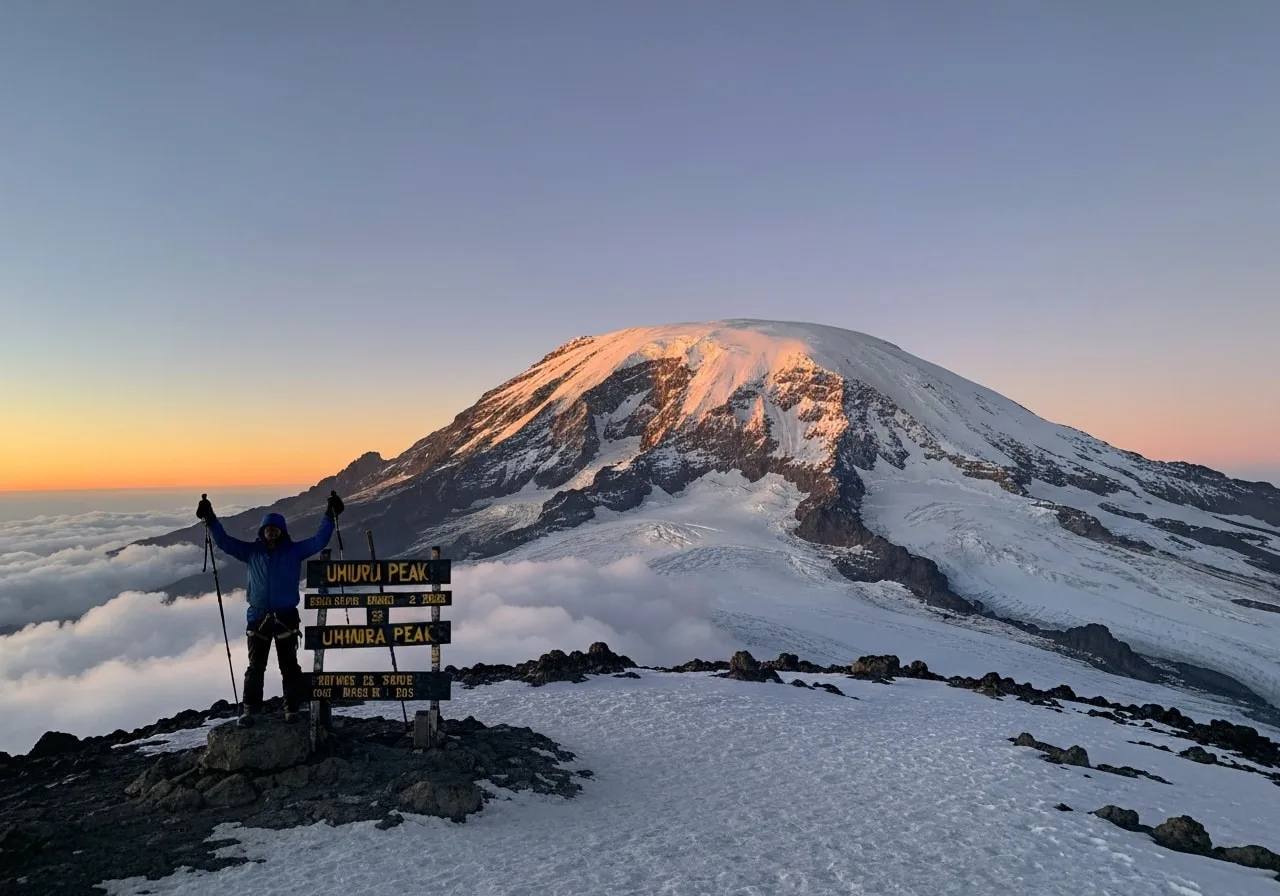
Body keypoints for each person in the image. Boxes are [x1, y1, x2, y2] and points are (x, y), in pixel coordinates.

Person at [197, 491, 344, 726]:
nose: (272, 532)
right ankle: (256, 710)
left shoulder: (290, 551)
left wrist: (329, 516)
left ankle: (284, 710)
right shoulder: (254, 551)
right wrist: (211, 518)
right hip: (263, 617)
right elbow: (224, 542)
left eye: (275, 529)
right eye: (268, 529)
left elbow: (319, 541)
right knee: (259, 667)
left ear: (282, 531)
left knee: (283, 666)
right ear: (263, 532)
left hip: (276, 617)